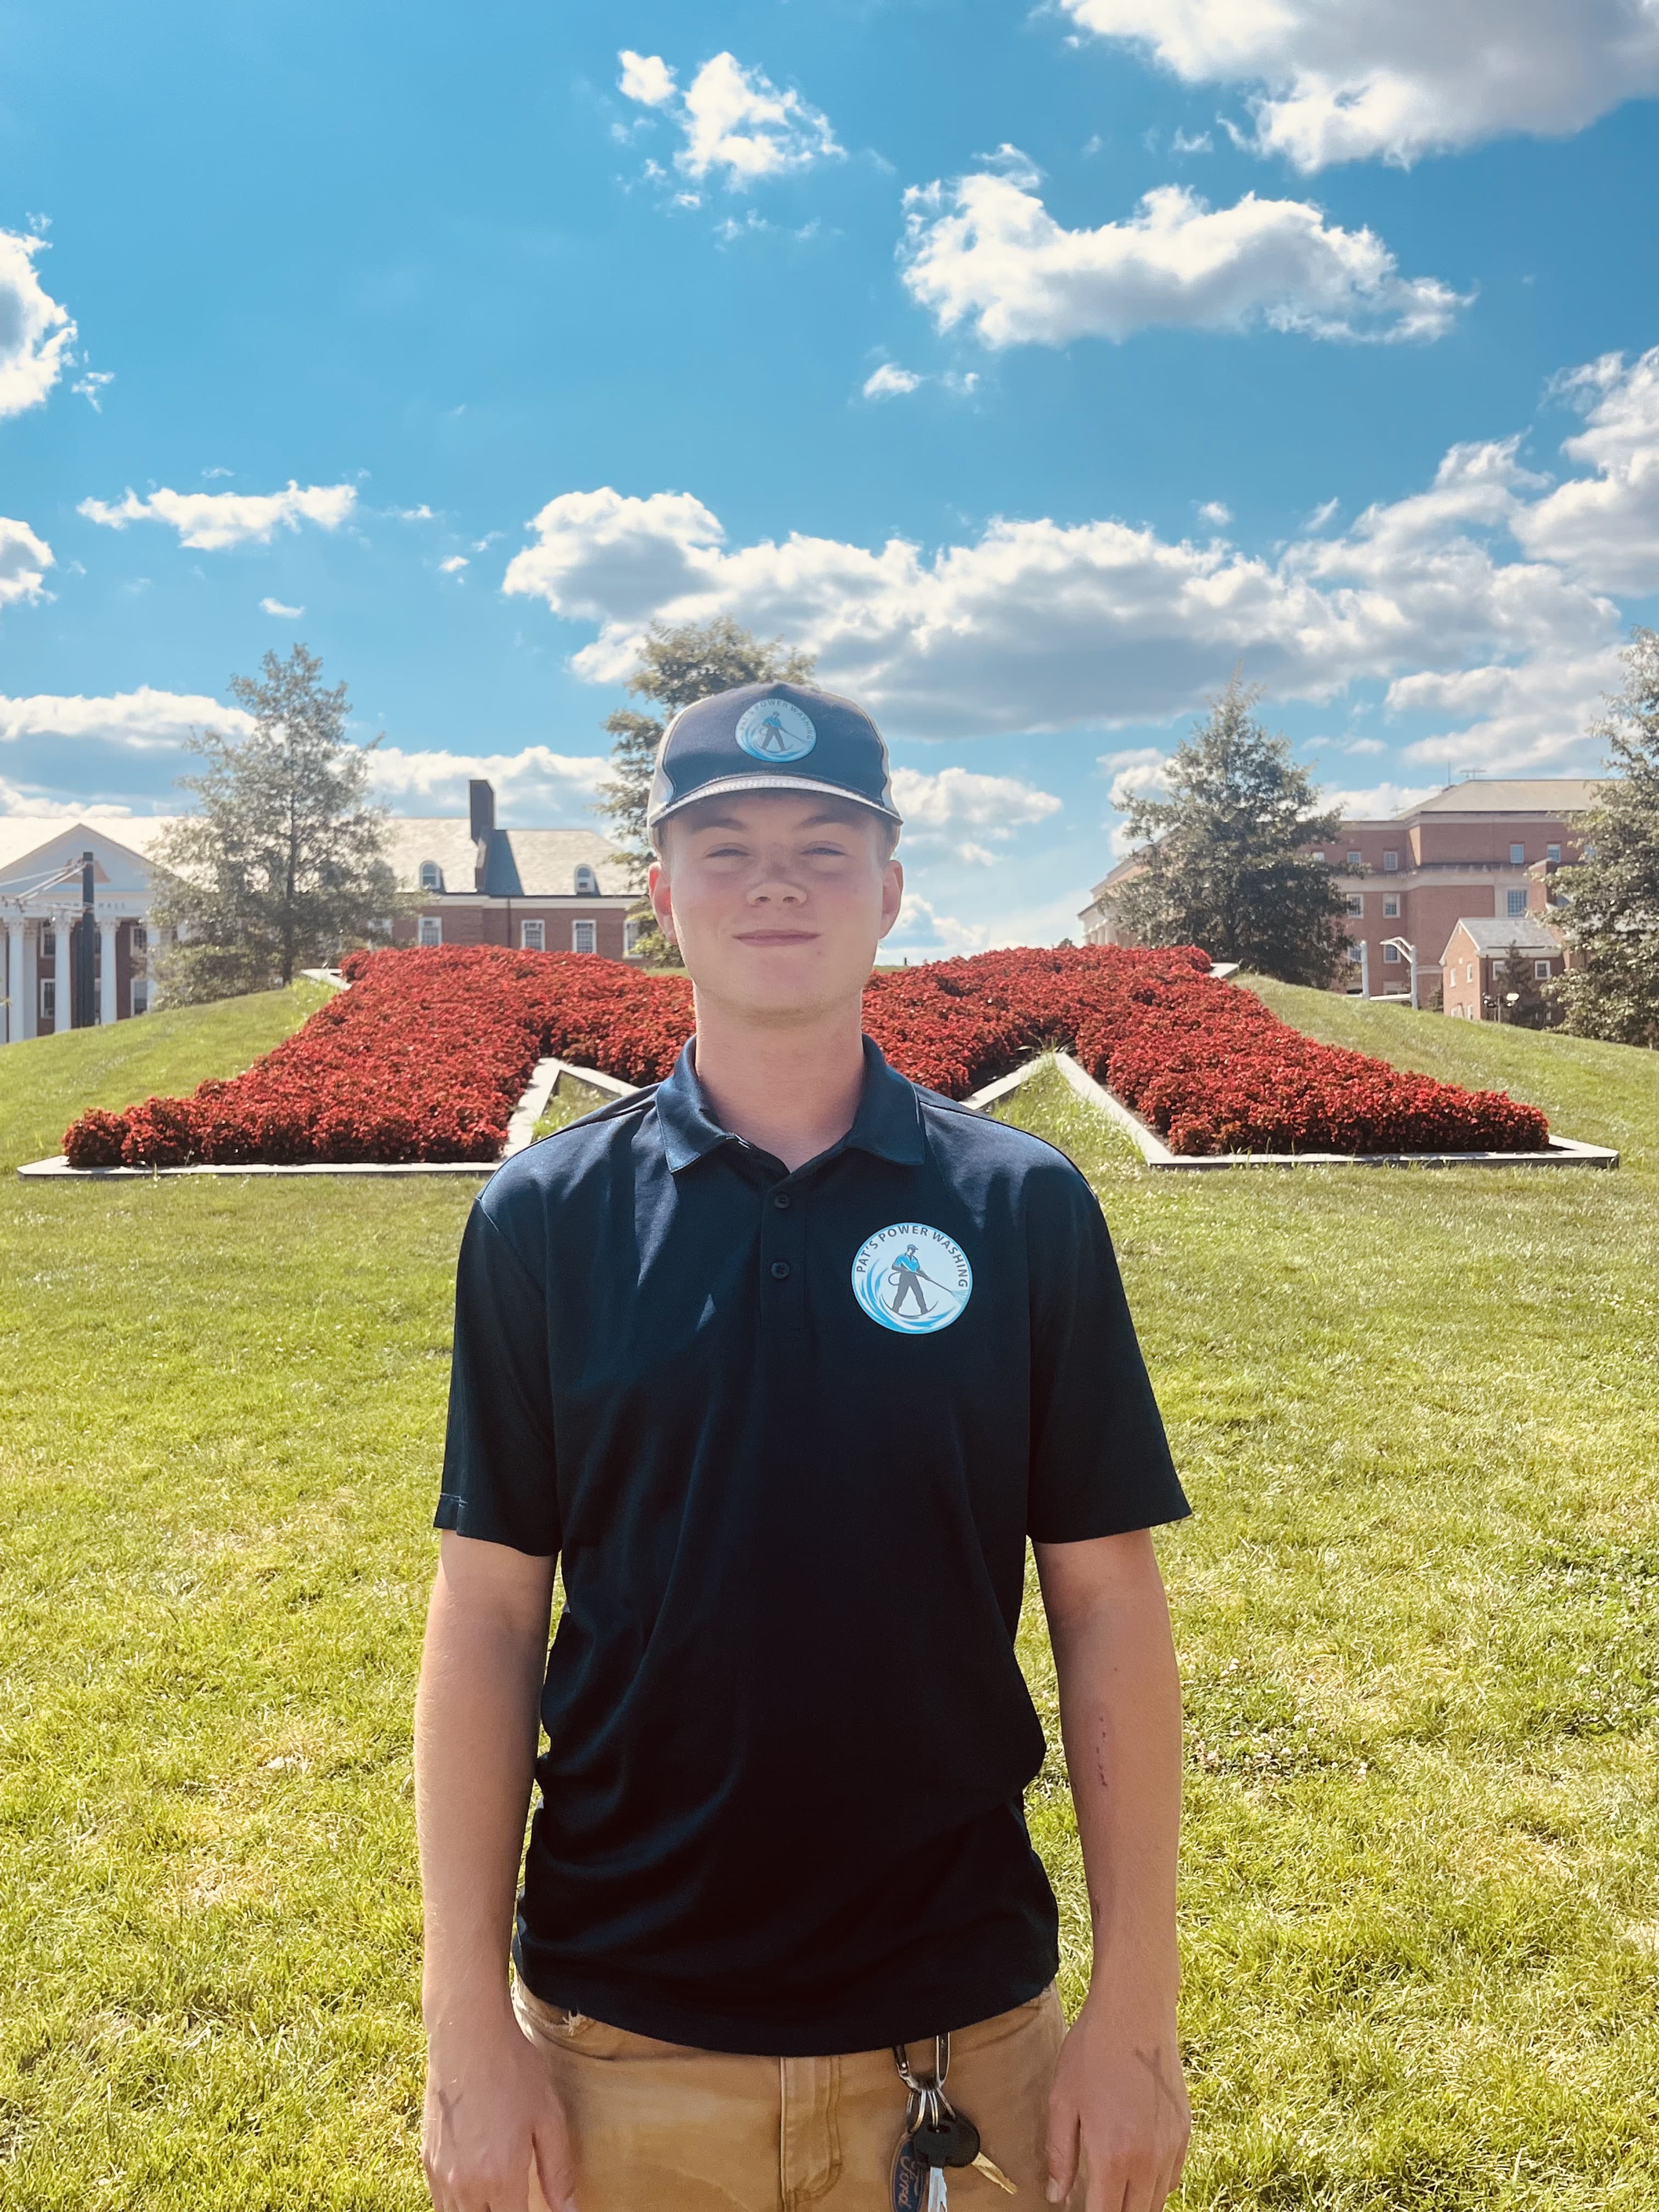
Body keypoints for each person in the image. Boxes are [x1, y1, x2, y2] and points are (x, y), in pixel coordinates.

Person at [415, 680, 1193, 2212]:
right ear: (662, 897)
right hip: (616, 2048)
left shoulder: (1022, 1210)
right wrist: (463, 2027)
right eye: (728, 848)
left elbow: (1108, 1604)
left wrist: (1139, 2015)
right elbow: (489, 1616)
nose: (777, 882)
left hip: (962, 2040)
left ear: (891, 890)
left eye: (824, 848)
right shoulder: (545, 1220)